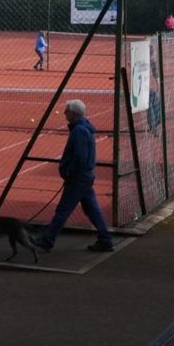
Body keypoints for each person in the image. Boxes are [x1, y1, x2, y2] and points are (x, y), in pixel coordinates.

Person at [36, 99, 116, 253]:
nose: (64, 113)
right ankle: (105, 239)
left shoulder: (79, 131)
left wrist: (69, 172)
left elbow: (79, 156)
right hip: (84, 176)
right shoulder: (84, 127)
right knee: (92, 209)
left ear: (73, 113)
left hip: (78, 178)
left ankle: (48, 239)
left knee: (63, 210)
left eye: (66, 111)